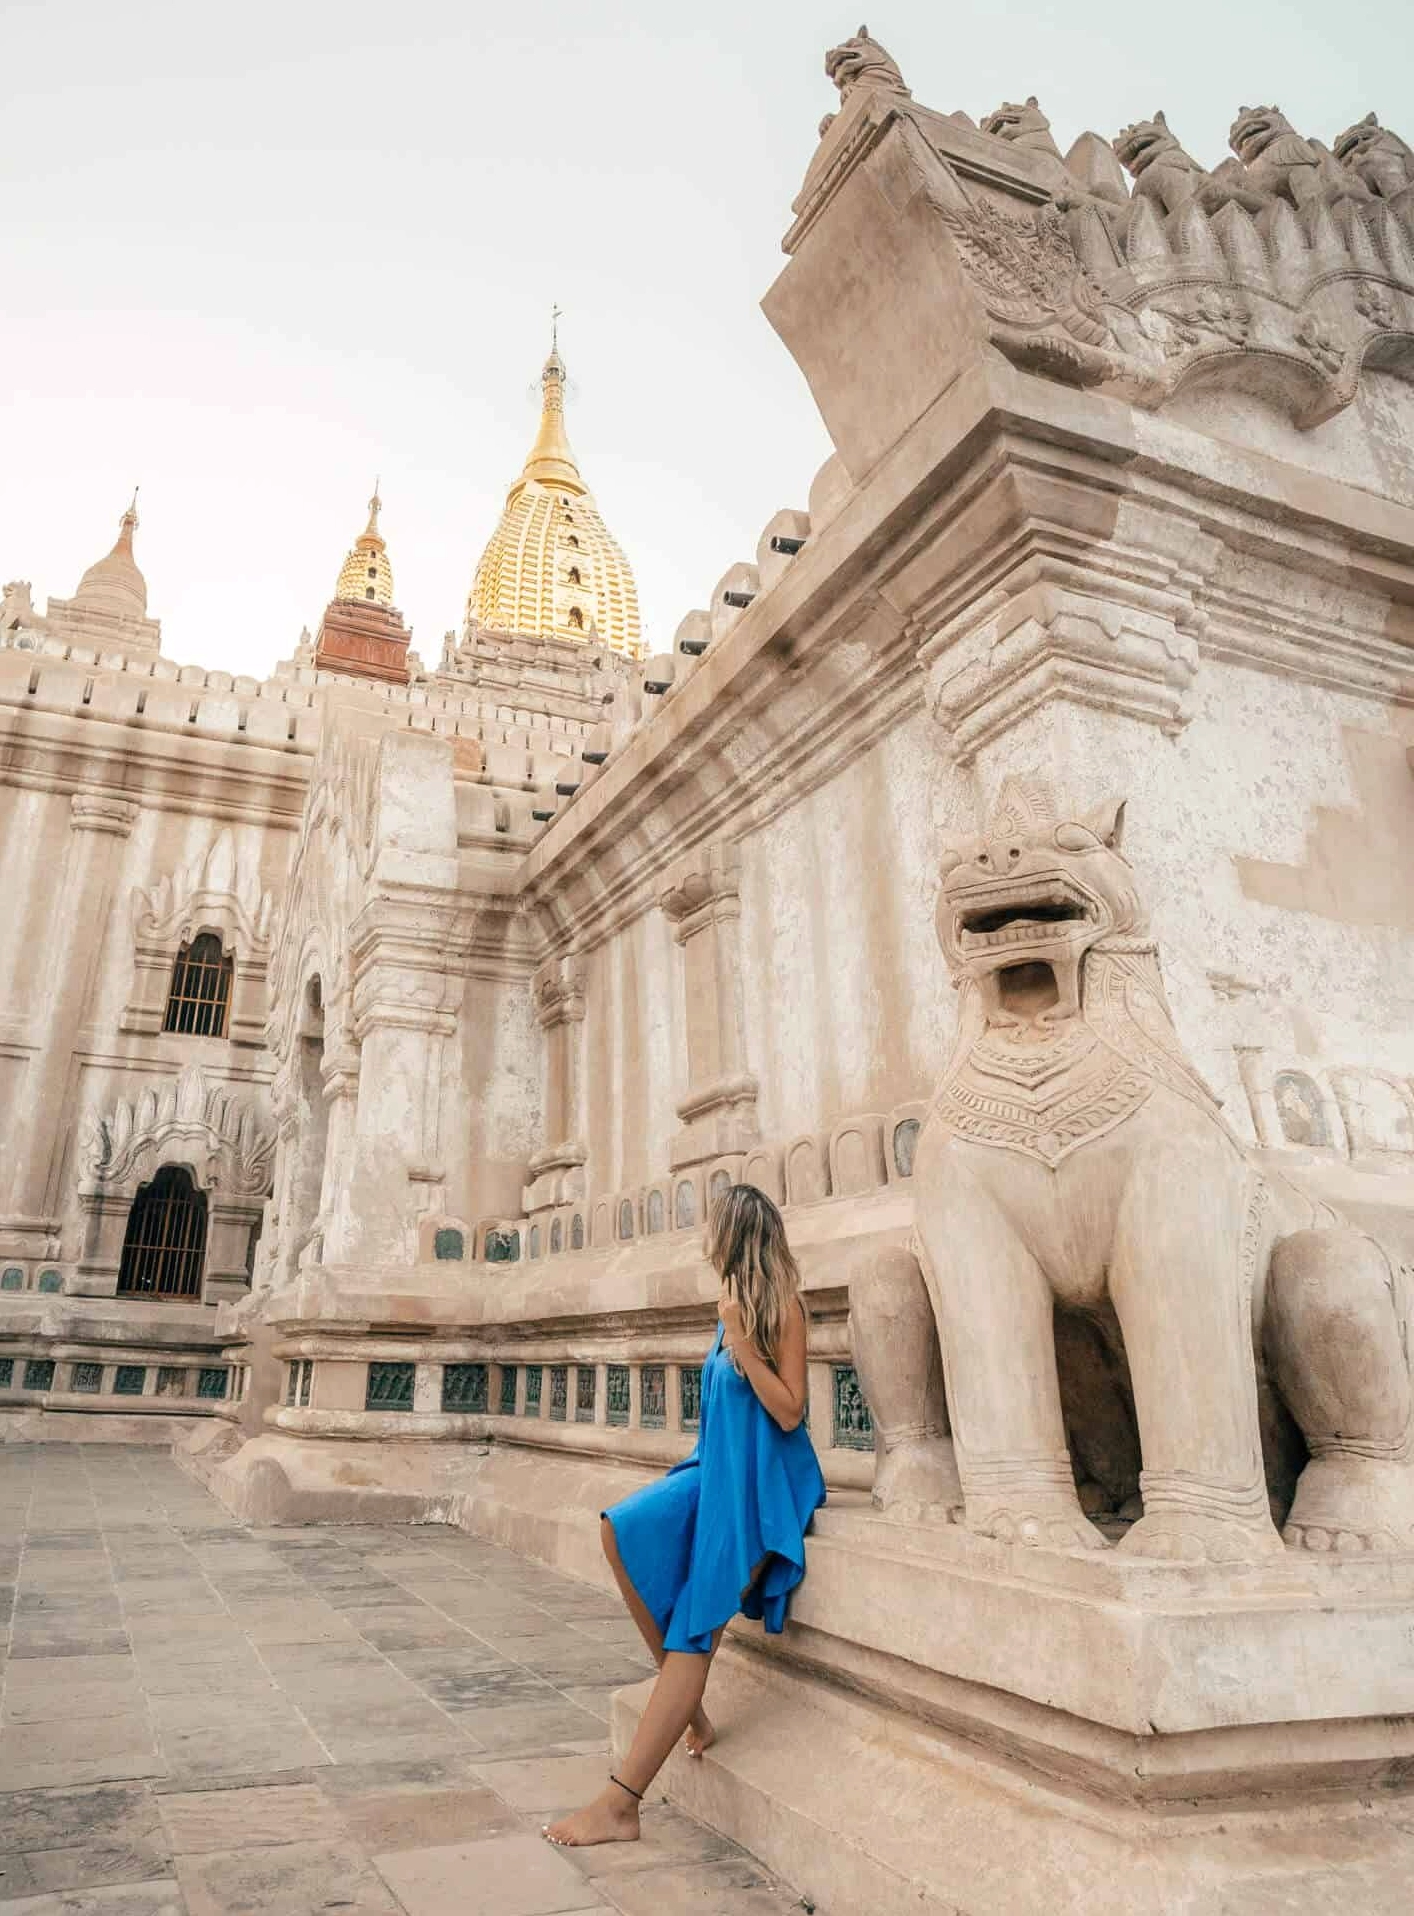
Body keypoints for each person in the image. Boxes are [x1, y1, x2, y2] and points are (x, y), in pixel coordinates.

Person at [543, 1183, 826, 1848]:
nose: (703, 1240)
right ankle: (690, 1707)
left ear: (734, 1236)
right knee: (622, 1530)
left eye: (712, 1228)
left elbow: (790, 1412)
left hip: (762, 1489)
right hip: (715, 1472)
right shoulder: (726, 1308)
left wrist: (744, 1345)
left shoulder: (783, 1308)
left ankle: (621, 1804)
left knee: (695, 1627)